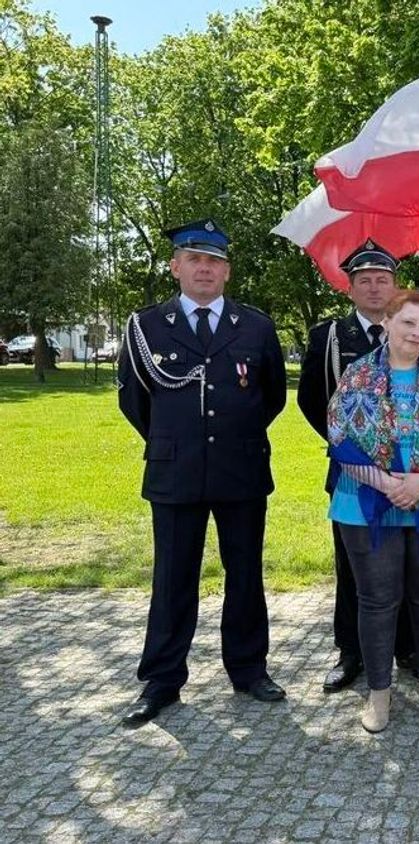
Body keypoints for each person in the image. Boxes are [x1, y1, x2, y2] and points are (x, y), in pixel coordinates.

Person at [116, 219, 288, 727]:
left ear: (227, 271)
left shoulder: (255, 327)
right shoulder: (146, 326)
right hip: (176, 472)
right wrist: (175, 441)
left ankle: (249, 669)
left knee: (245, 573)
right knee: (172, 578)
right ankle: (162, 680)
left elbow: (271, 396)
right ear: (176, 267)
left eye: (214, 261)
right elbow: (134, 400)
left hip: (241, 469)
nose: (205, 269)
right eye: (194, 259)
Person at [297, 239, 419, 693]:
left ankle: (407, 648)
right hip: (352, 476)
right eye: (365, 280)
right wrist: (353, 451)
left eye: (383, 280)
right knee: (354, 568)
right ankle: (351, 651)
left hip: (410, 476)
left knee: (408, 563)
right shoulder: (328, 337)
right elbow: (310, 399)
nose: (375, 288)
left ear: (396, 288)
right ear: (351, 287)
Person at [326, 290, 419, 733]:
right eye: (407, 322)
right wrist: (388, 484)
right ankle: (379, 695)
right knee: (377, 600)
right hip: (366, 503)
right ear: (387, 322)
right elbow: (340, 440)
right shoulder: (356, 376)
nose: (416, 333)